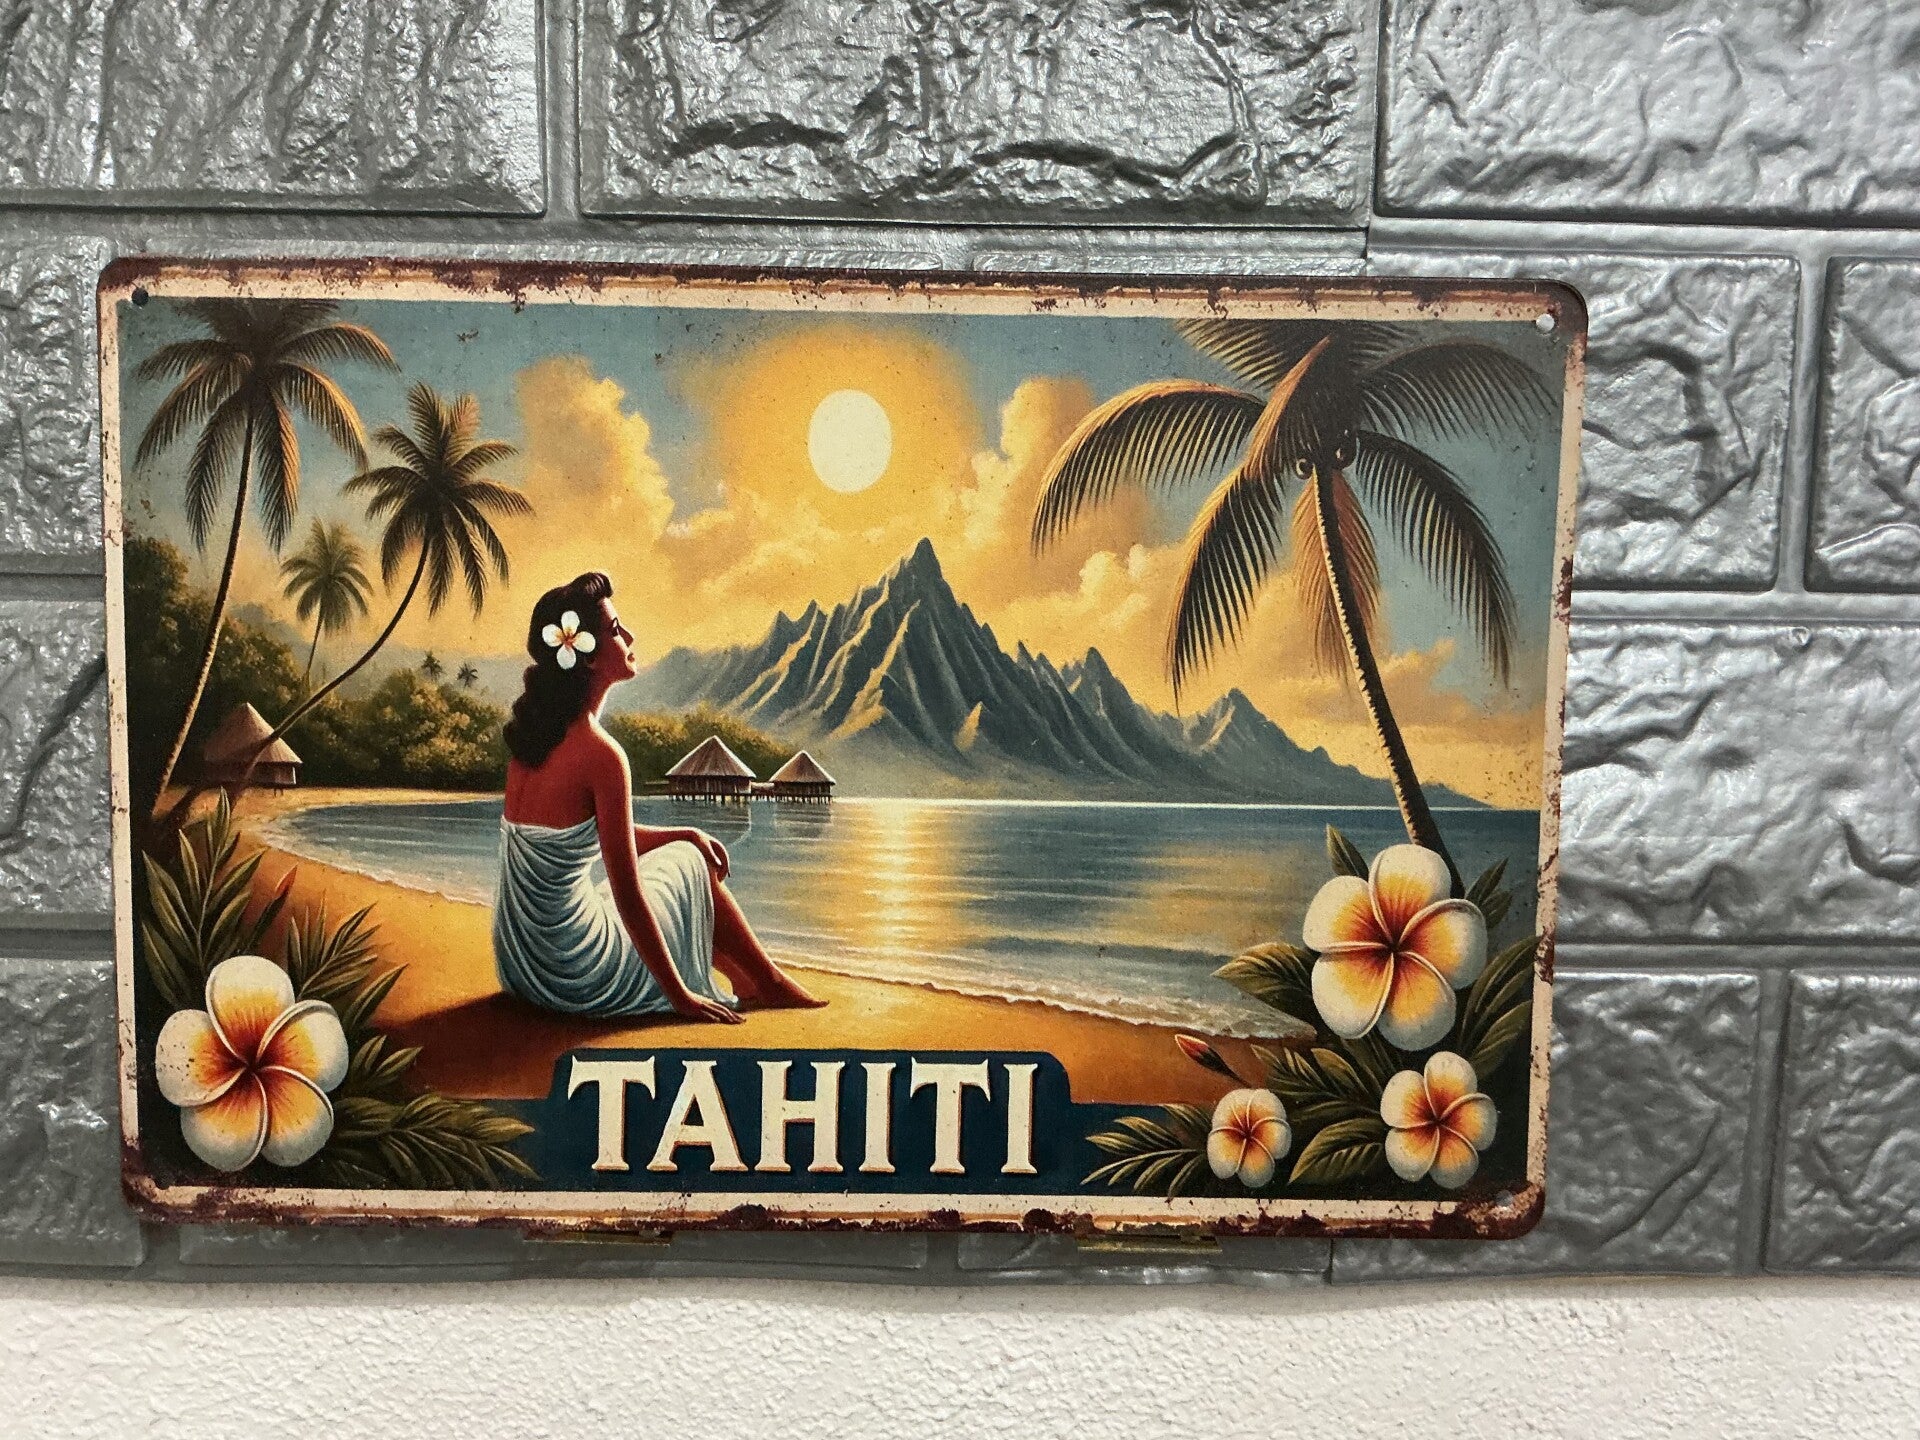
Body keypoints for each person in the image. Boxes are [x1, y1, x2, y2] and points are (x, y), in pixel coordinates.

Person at [492, 572, 823, 1022]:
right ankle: (765, 981)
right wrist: (679, 996)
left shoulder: (532, 744)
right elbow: (628, 896)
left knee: (685, 849)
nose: (629, 637)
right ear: (587, 657)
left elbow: (582, 836)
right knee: (688, 863)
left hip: (521, 965)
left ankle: (756, 979)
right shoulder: (602, 755)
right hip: (575, 971)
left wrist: (682, 831)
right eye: (615, 630)